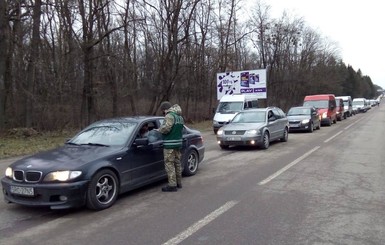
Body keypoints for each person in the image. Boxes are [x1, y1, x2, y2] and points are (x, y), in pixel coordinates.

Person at [156, 101, 184, 192]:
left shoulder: (169, 116)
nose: (163, 113)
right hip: (178, 143)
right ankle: (179, 182)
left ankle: (172, 185)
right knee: (177, 163)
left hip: (169, 144)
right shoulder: (179, 117)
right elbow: (181, 130)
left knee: (169, 164)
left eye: (162, 111)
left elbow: (167, 128)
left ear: (164, 109)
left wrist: (158, 130)